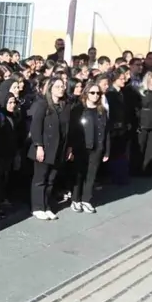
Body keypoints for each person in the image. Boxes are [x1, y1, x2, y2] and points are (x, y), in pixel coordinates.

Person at [29, 75, 72, 221]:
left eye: (62, 86)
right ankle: (37, 207)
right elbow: (36, 126)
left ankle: (47, 206)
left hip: (59, 148)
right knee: (40, 179)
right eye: (57, 87)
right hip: (45, 147)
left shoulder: (65, 105)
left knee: (51, 179)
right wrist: (38, 146)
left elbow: (68, 129)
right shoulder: (43, 105)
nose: (61, 89)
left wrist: (69, 147)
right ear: (51, 89)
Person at [69, 81, 110, 213]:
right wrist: (70, 148)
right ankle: (75, 200)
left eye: (98, 93)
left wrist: (106, 150)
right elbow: (73, 130)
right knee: (79, 174)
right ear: (86, 93)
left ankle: (86, 200)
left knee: (91, 175)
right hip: (81, 147)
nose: (95, 95)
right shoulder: (78, 109)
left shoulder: (102, 111)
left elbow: (106, 131)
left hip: (97, 147)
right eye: (92, 92)